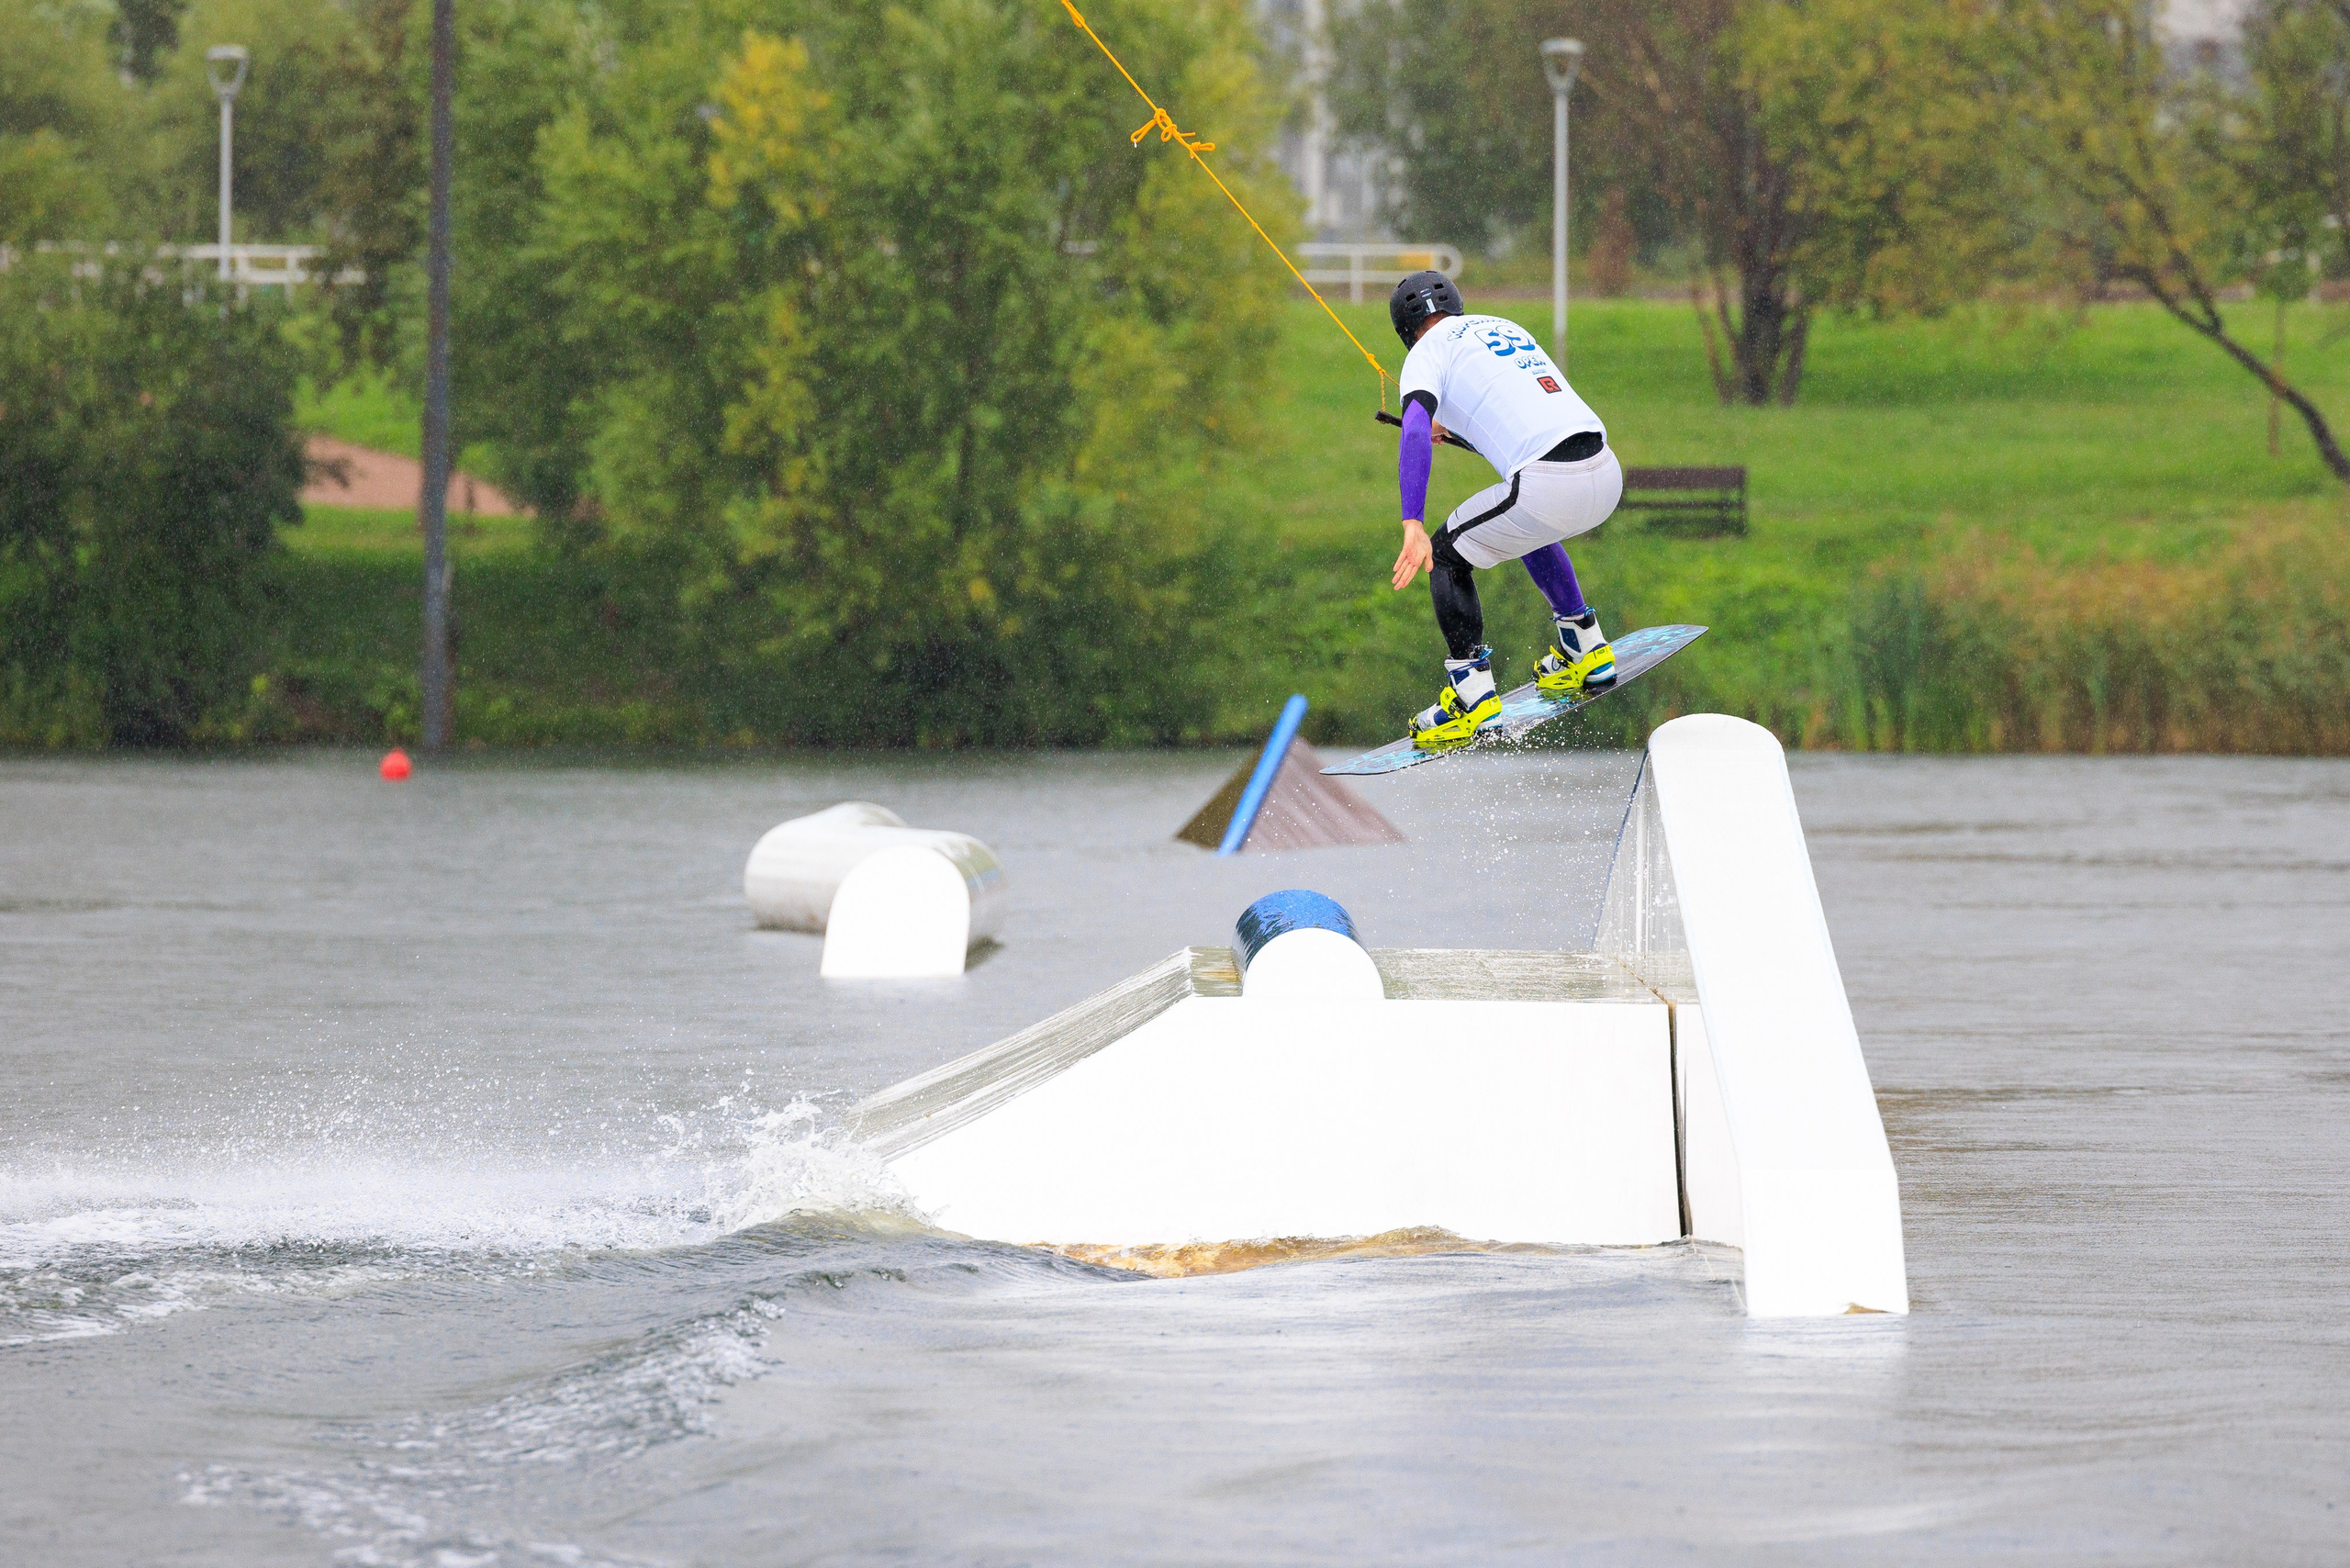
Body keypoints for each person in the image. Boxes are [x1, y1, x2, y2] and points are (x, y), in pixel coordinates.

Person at [1386, 270, 1621, 748]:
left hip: (1549, 483)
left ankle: (1471, 695)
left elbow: (1412, 429)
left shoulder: (1426, 352)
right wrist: (1452, 433)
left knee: (1445, 554)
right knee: (1525, 522)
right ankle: (1586, 647)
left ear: (1406, 334)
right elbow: (1526, 418)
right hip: (1606, 472)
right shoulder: (1504, 328)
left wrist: (1412, 519)